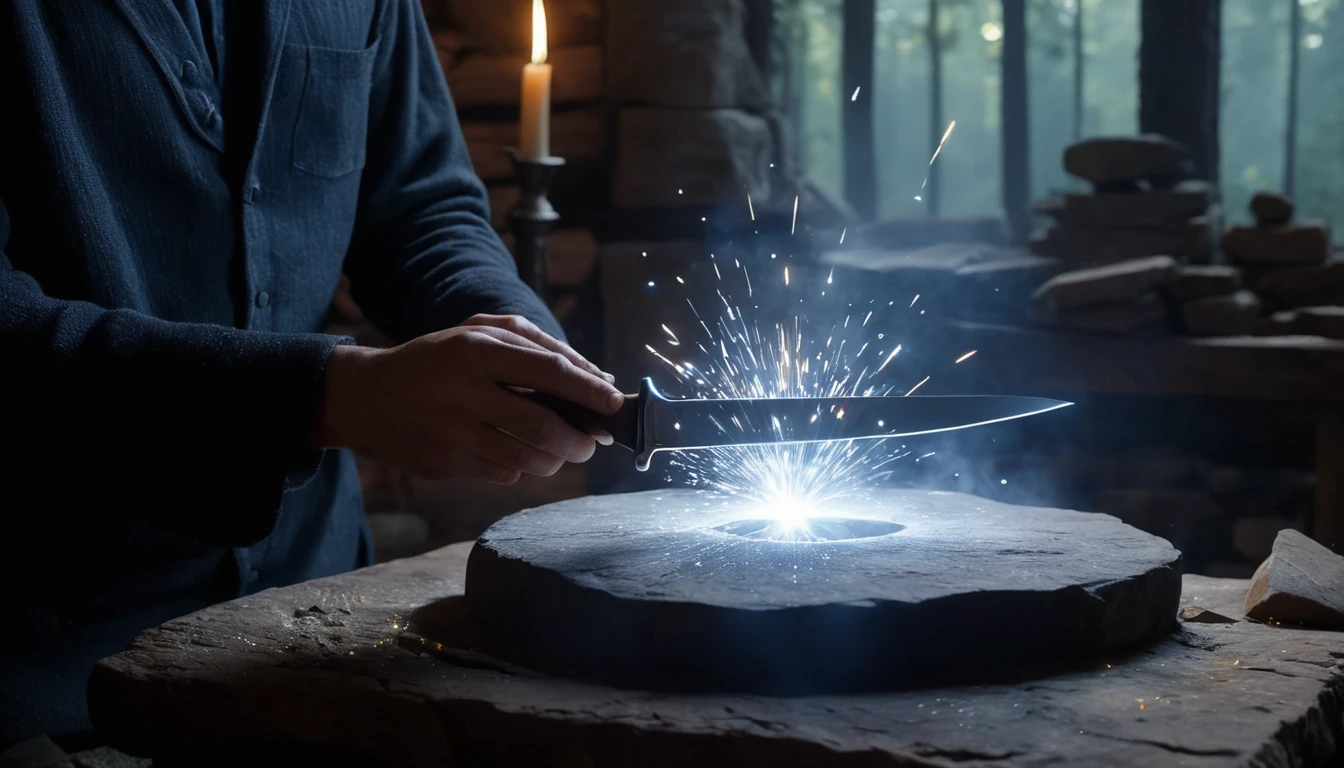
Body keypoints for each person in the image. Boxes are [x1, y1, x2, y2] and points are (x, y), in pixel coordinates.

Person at [0, 0, 621, 749]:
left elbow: (420, 206)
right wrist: (327, 398)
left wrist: (514, 333)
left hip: (316, 621)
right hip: (45, 669)